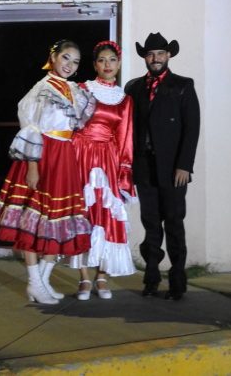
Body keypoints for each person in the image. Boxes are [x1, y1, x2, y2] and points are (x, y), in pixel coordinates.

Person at [0, 39, 95, 305]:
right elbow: (30, 127)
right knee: (32, 220)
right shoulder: (42, 89)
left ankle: (42, 282)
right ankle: (34, 281)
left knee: (57, 220)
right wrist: (32, 166)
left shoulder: (74, 91)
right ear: (53, 58)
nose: (69, 65)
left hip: (64, 157)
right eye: (65, 58)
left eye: (75, 61)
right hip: (43, 155)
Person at [125, 32, 200, 301]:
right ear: (145, 58)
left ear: (168, 55)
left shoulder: (182, 85)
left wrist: (184, 166)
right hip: (144, 167)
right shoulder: (134, 88)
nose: (155, 58)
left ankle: (178, 281)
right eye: (150, 54)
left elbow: (191, 129)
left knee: (174, 223)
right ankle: (151, 277)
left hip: (173, 169)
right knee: (151, 224)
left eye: (159, 53)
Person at [66, 40, 136, 300]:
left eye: (112, 60)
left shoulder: (124, 100)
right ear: (95, 65)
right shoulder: (82, 89)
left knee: (105, 216)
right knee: (83, 215)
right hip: (80, 155)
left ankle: (102, 276)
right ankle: (84, 278)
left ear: (119, 64)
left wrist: (124, 172)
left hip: (108, 159)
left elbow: (125, 138)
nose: (108, 65)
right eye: (102, 60)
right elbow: (68, 123)